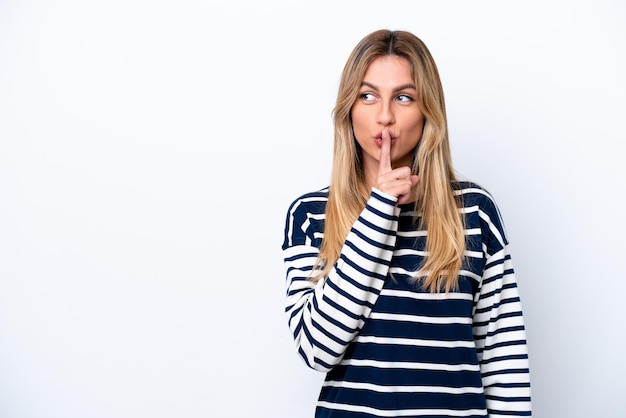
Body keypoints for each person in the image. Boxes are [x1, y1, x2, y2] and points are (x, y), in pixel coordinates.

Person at [281, 29, 531, 418]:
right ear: (348, 108)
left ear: (427, 110)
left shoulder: (474, 212)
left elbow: (503, 361)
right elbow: (317, 347)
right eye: (367, 96)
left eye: (403, 97)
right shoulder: (311, 214)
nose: (384, 116)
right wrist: (379, 208)